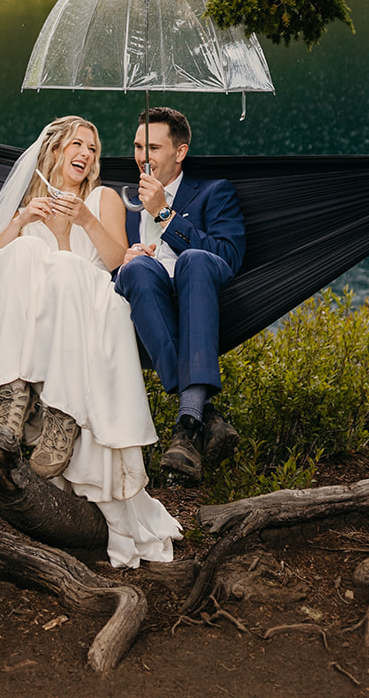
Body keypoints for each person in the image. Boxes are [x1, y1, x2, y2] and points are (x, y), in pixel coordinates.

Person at [0, 115, 181, 568]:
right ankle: (15, 393)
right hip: (41, 319)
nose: (86, 154)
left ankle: (63, 417)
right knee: (23, 249)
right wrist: (26, 219)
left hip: (90, 298)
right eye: (78, 144)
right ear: (55, 150)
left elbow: (115, 262)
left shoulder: (102, 197)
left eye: (92, 147)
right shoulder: (33, 202)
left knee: (64, 268)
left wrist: (80, 222)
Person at [113, 107, 244, 482]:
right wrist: (125, 256)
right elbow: (105, 263)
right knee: (134, 268)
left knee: (195, 260)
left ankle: (189, 421)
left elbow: (227, 256)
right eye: (138, 146)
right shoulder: (118, 198)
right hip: (147, 293)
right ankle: (200, 415)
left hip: (199, 286)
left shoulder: (214, 192)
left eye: (153, 147)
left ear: (180, 152)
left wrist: (165, 214)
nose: (142, 157)